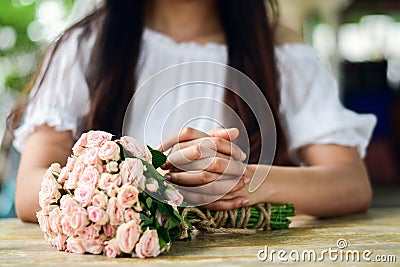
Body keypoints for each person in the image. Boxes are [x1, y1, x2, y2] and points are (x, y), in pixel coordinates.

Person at [9, 0, 376, 222]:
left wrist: (242, 179)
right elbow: (29, 189)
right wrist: (146, 181)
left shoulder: (281, 51)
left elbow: (351, 184)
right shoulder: (86, 46)